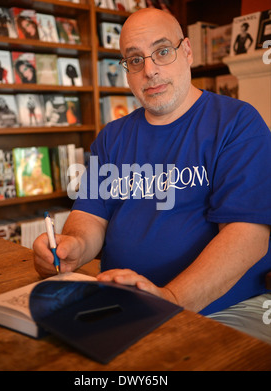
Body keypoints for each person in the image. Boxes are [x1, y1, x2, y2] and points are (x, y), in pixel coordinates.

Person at [33, 8, 271, 342]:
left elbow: (249, 237)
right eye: (134, 60)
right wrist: (72, 246)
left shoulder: (237, 123)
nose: (150, 71)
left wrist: (171, 299)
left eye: (162, 51)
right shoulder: (112, 137)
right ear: (126, 72)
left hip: (221, 310)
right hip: (123, 305)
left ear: (186, 52)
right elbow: (90, 217)